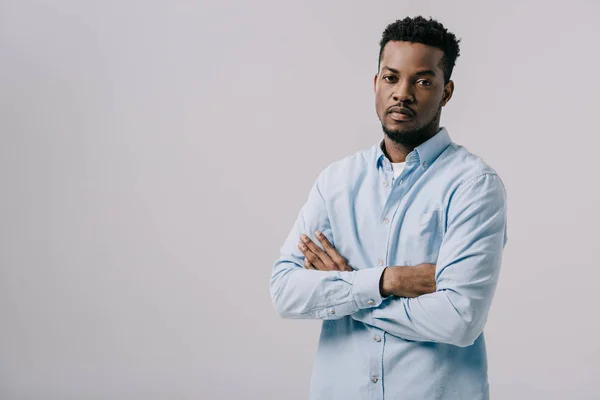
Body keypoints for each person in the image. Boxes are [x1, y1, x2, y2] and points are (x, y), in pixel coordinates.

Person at [269, 16, 508, 400]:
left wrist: (348, 292)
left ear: (446, 93)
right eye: (391, 77)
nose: (403, 93)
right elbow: (284, 291)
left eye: (423, 81)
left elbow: (460, 319)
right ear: (376, 83)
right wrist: (385, 281)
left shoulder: (473, 186)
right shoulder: (336, 181)